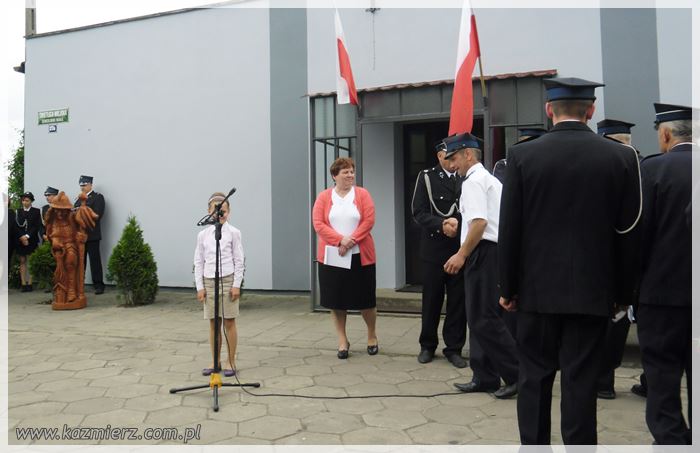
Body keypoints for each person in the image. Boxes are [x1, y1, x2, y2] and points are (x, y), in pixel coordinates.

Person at [498, 77, 641, 445]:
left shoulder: (522, 156)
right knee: (581, 381)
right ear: (591, 110)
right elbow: (628, 233)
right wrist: (623, 294)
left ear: (549, 110)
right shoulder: (621, 157)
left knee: (534, 377)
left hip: (535, 292)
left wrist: (507, 287)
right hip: (592, 293)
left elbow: (510, 229)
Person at [443, 133, 519, 399]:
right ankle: (485, 376)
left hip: (483, 253)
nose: (452, 165)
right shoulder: (489, 180)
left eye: (454, 158)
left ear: (468, 154)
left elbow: (479, 223)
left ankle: (517, 374)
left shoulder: (473, 181)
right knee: (481, 318)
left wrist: (461, 254)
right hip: (492, 252)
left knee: (483, 318)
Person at [637, 103, 694, 445]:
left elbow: (639, 235)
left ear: (667, 134)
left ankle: (671, 440)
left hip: (661, 296)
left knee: (661, 376)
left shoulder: (654, 170)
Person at [312, 157, 378, 359]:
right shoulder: (324, 197)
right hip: (333, 257)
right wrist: (340, 240)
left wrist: (351, 241)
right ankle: (343, 340)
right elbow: (318, 223)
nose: (350, 175)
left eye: (352, 172)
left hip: (360, 256)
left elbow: (369, 220)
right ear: (335, 176)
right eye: (345, 172)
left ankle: (372, 335)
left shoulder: (362, 194)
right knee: (337, 301)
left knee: (366, 300)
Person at [593, 118, 640, 400]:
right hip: (634, 262)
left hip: (607, 261)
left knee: (608, 323)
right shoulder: (640, 166)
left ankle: (603, 380)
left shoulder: (604, 168)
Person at [410, 141, 467, 368]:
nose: (452, 161)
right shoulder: (427, 177)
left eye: (454, 155)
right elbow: (418, 212)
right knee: (431, 300)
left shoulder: (465, 176)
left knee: (458, 302)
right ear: (439, 156)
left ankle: (454, 348)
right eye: (447, 156)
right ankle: (427, 345)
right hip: (434, 250)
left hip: (459, 249)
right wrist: (441, 224)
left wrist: (457, 225)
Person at [194, 192, 245, 377]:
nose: (220, 213)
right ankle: (215, 360)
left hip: (228, 280)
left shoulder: (234, 233)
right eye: (216, 210)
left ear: (229, 212)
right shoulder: (203, 235)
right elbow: (198, 260)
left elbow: (239, 260)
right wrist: (200, 286)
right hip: (209, 281)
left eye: (223, 210)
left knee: (229, 321)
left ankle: (231, 360)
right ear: (209, 212)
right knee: (214, 323)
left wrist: (236, 284)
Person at [74, 175, 105, 294]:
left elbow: (98, 214)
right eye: (81, 185)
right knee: (80, 262)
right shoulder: (78, 199)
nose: (82, 187)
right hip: (80, 235)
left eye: (85, 185)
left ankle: (98, 285)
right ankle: (79, 284)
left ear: (91, 185)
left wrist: (82, 212)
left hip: (92, 234)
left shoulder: (97, 197)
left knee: (94, 261)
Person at [16, 192, 42, 292]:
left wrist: (27, 236)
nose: (24, 202)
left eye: (27, 200)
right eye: (23, 200)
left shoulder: (36, 211)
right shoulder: (18, 211)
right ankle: (23, 283)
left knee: (31, 261)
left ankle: (30, 283)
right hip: (21, 240)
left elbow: (37, 226)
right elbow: (17, 226)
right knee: (22, 261)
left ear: (31, 201)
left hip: (32, 239)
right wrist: (22, 237)